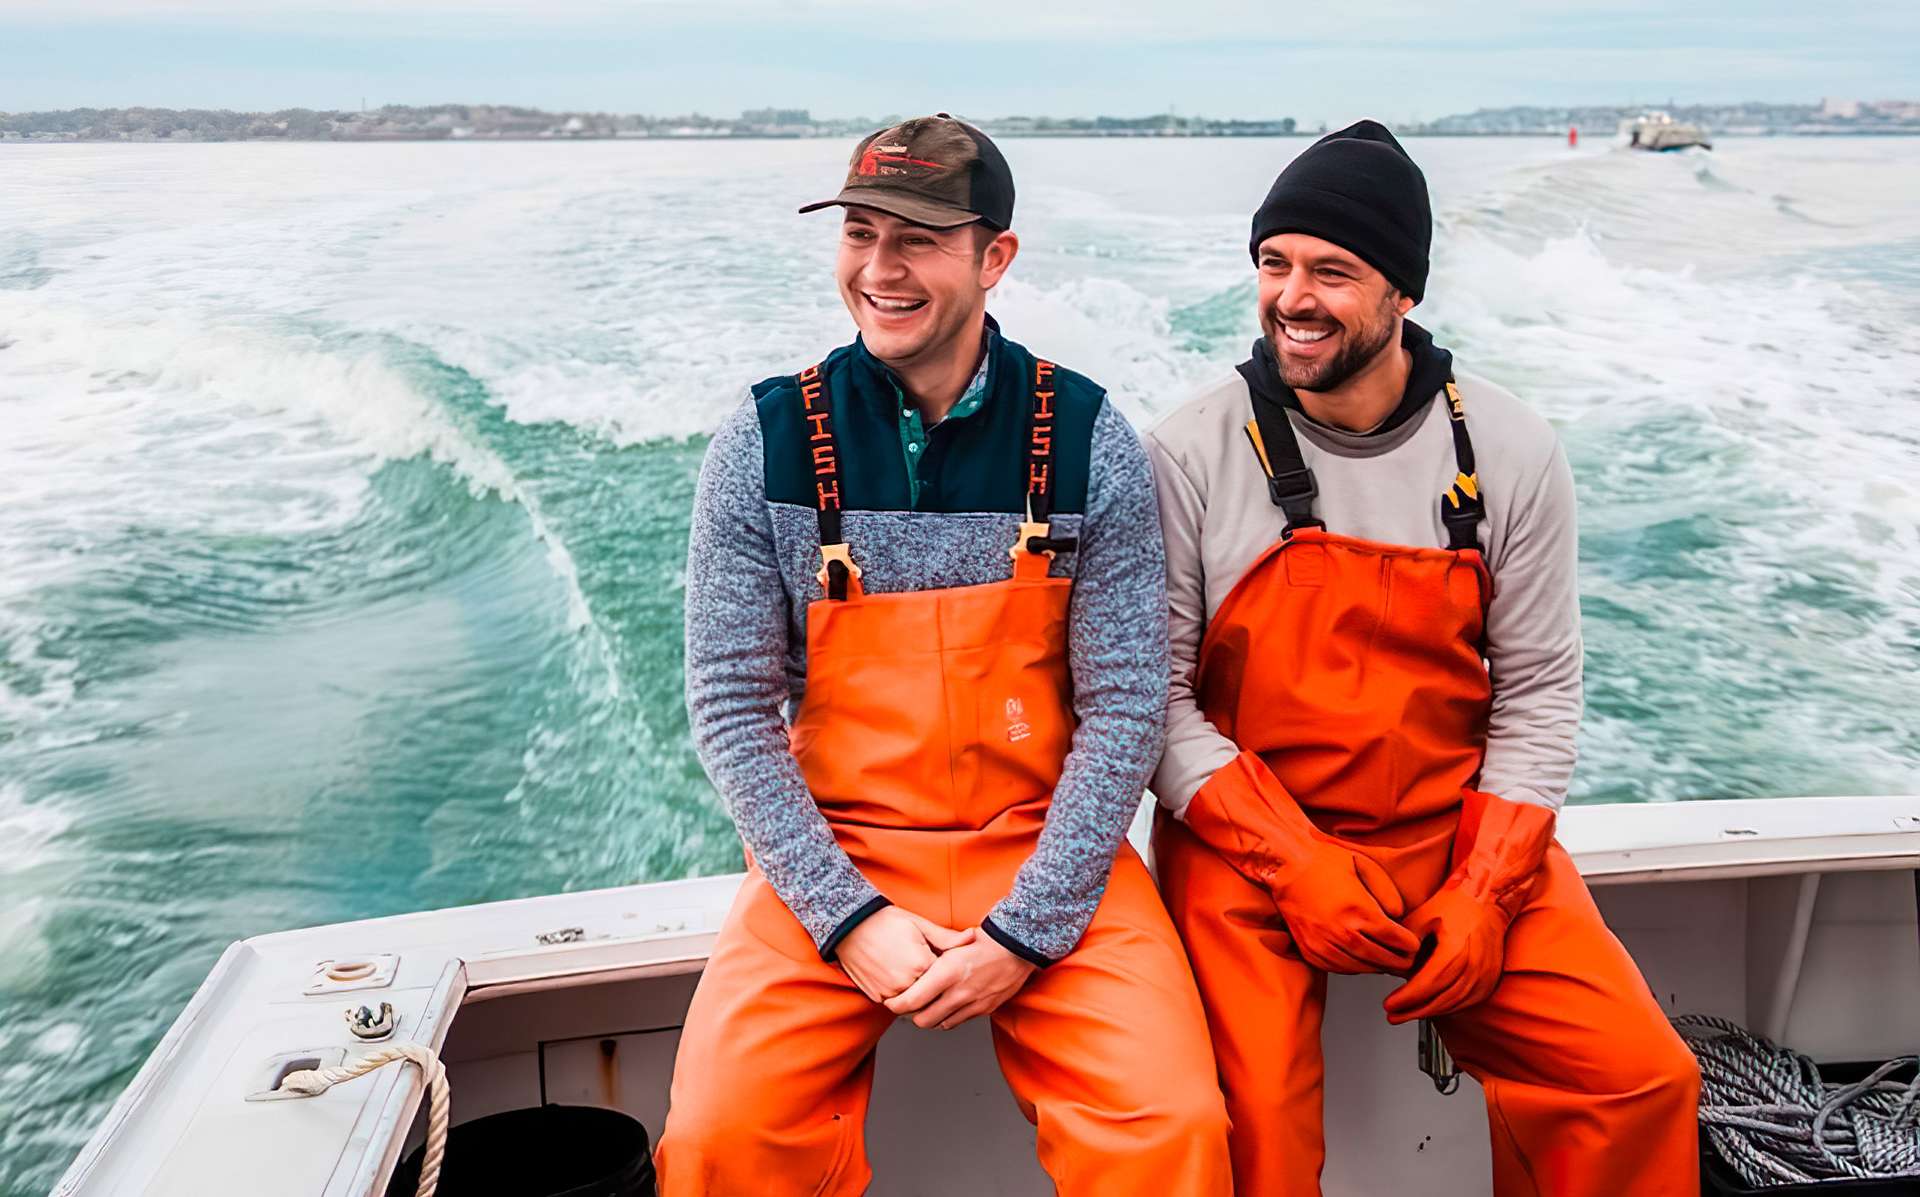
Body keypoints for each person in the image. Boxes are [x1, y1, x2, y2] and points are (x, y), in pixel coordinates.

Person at [655, 114, 1231, 1196]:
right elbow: (732, 710)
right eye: (860, 233)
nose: (880, 269)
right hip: (836, 851)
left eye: (916, 238)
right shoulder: (764, 438)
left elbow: (1124, 710)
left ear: (994, 256)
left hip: (1046, 843)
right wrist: (849, 921)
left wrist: (1028, 929)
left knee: (1173, 1130)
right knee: (718, 1143)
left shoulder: (1088, 435)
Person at [1146, 120, 1701, 1195]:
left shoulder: (1508, 450)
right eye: (1274, 263)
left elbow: (1538, 690)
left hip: (1456, 835)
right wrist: (1294, 863)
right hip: (1250, 846)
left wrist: (1490, 891)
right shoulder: (1188, 452)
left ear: (1403, 293)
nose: (1291, 297)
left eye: (1332, 271)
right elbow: (1159, 708)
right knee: (1243, 1131)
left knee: (1634, 1081)